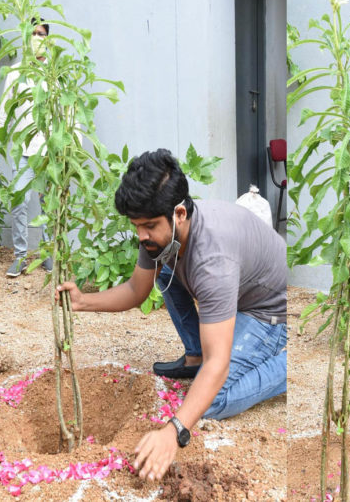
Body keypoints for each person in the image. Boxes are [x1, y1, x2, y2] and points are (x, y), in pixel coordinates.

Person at [55, 149, 287, 481]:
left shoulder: (212, 261)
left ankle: (288, 363)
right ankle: (195, 356)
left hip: (268, 312)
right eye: (136, 226)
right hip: (238, 291)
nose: (141, 235)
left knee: (214, 399)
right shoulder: (162, 234)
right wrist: (81, 302)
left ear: (179, 213)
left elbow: (219, 364)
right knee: (164, 267)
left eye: (148, 226)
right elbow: (137, 290)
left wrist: (173, 431)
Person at [0, 19, 52, 277]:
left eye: (41, 34)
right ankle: (21, 256)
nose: (37, 38)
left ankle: (47, 254)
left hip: (50, 152)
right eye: (33, 33)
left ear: (48, 39)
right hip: (23, 150)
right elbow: (4, 113)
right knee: (19, 202)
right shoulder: (15, 72)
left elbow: (68, 113)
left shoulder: (55, 74)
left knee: (49, 204)